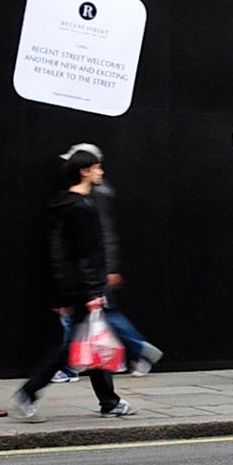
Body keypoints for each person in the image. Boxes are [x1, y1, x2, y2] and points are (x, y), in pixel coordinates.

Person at [14, 149, 131, 420]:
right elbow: (87, 253)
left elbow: (60, 253)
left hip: (73, 285)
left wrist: (64, 292)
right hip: (84, 286)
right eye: (98, 168)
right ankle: (29, 391)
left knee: (91, 340)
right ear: (85, 171)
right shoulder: (81, 208)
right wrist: (93, 291)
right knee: (75, 345)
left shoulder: (65, 204)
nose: (101, 172)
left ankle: (110, 402)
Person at [64, 143, 161, 377]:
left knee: (96, 313)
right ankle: (134, 352)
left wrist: (110, 267)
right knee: (101, 313)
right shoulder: (93, 193)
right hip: (95, 268)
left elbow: (103, 234)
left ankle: (71, 366)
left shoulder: (95, 195)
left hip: (94, 270)